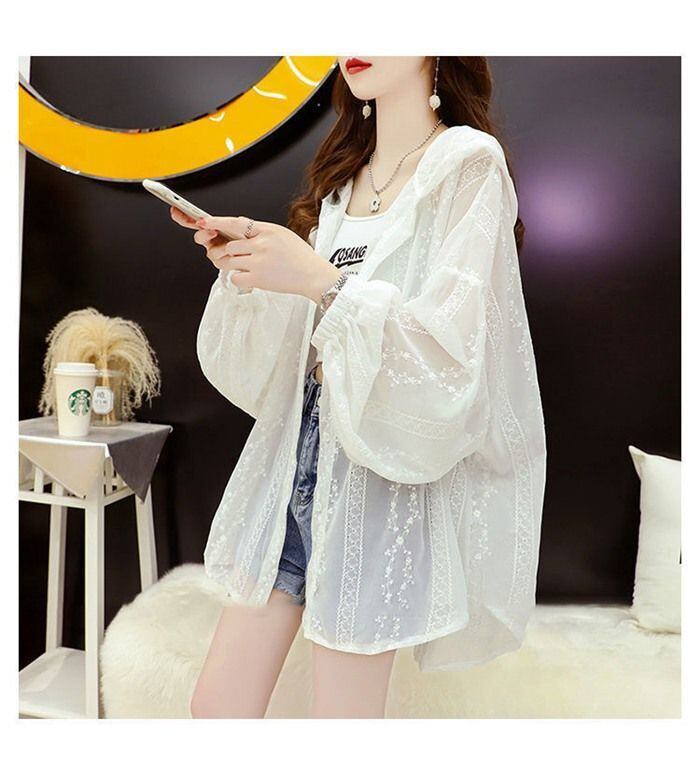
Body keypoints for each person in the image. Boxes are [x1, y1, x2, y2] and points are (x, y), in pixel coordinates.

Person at [171, 56, 546, 718]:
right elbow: (311, 341)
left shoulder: (467, 164)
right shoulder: (344, 180)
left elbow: (451, 353)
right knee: (216, 709)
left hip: (379, 475)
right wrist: (259, 264)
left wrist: (320, 278)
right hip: (297, 456)